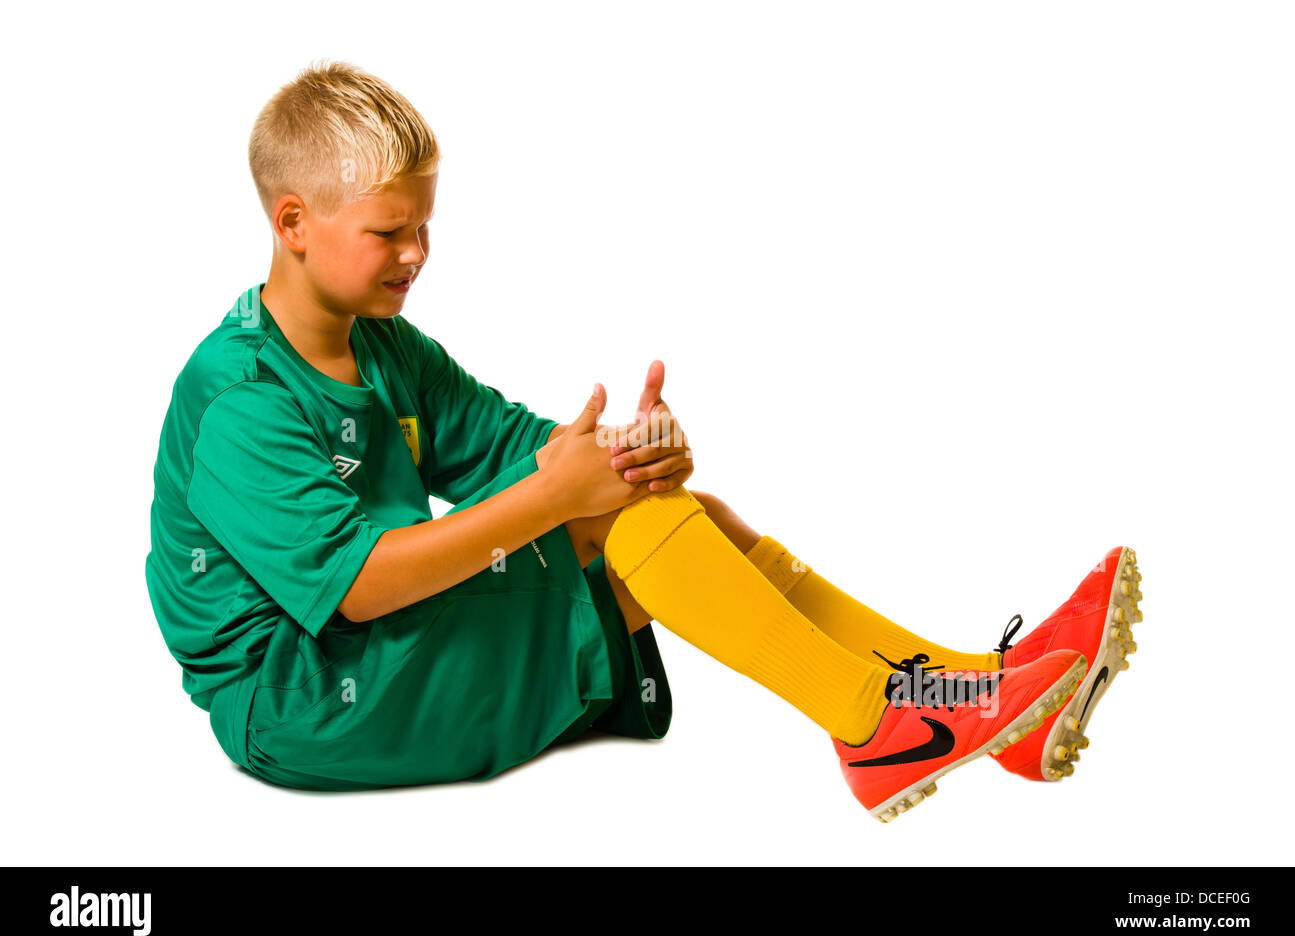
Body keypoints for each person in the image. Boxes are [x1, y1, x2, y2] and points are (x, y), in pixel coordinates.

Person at [145, 59, 1142, 822]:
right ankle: (896, 718)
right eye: (388, 232)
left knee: (662, 510)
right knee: (622, 529)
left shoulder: (383, 345)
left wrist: (621, 457)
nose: (416, 253)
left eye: (424, 228)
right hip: (305, 692)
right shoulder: (241, 398)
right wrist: (557, 497)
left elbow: (510, 446)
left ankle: (970, 693)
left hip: (364, 643)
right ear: (293, 223)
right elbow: (358, 583)